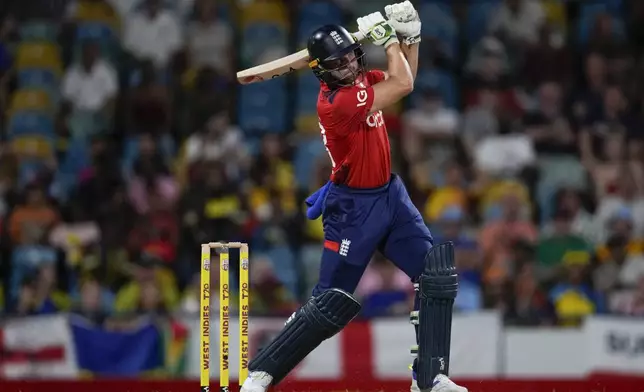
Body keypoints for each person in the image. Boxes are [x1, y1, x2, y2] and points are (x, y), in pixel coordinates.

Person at [241, 3, 466, 392]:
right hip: (352, 209)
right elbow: (401, 85)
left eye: (351, 58)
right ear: (321, 70)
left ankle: (430, 379)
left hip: (390, 197)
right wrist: (391, 41)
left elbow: (404, 78)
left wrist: (409, 37)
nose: (348, 67)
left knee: (435, 275)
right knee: (332, 302)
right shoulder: (336, 104)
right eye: (339, 63)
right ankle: (262, 372)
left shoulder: (359, 81)